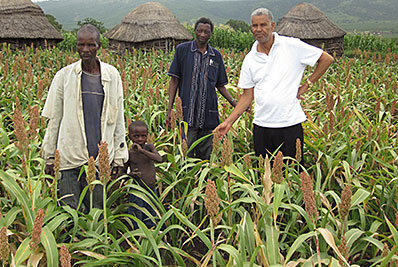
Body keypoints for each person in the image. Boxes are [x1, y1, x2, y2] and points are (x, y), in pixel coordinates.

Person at [214, 8, 334, 163]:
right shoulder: (250, 59)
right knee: (265, 177)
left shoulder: (291, 46)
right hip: (262, 126)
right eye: (254, 26)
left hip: (289, 124)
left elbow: (326, 59)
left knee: (292, 176)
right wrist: (228, 122)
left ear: (272, 26)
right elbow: (247, 96)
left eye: (263, 25)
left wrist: (306, 85)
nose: (258, 29)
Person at [42, 24, 128, 214]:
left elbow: (118, 118)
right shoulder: (63, 76)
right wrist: (49, 157)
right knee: (70, 213)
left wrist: (120, 159)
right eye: (81, 45)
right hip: (69, 159)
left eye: (91, 45)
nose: (85, 50)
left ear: (99, 46)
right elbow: (54, 119)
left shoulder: (112, 76)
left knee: (96, 213)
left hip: (99, 161)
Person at [167, 17, 237, 160]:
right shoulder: (183, 50)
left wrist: (235, 104)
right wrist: (169, 110)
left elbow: (220, 85)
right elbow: (174, 80)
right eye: (200, 31)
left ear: (211, 33)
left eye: (206, 32)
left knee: (205, 158)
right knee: (185, 156)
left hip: (208, 116)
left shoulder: (215, 56)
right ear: (195, 31)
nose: (202, 34)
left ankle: (203, 182)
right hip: (188, 116)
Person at [125, 120, 163, 229]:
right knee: (136, 215)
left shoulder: (149, 148)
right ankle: (136, 236)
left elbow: (159, 159)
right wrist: (131, 174)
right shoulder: (129, 153)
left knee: (151, 215)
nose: (140, 139)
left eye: (143, 136)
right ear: (130, 137)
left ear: (147, 136)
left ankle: (151, 233)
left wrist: (142, 151)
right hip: (137, 192)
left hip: (151, 190)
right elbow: (122, 173)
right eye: (136, 136)